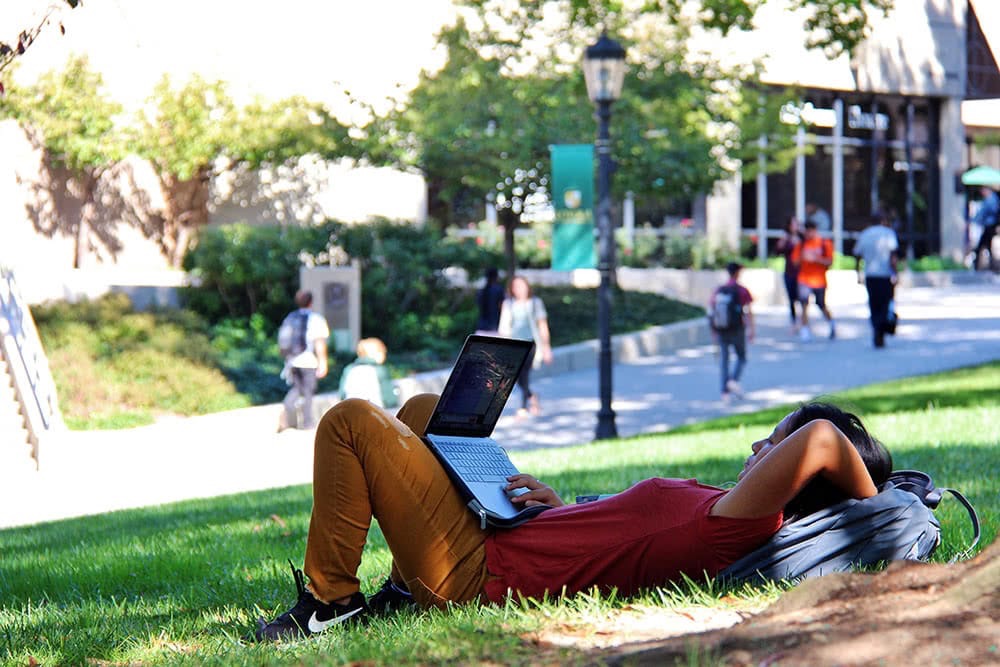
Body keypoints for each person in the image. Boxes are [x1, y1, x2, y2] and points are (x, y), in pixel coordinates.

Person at [251, 395, 892, 641]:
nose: (759, 450)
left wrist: (875, 507)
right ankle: (397, 590)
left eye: (773, 446)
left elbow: (823, 441)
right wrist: (562, 509)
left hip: (476, 571)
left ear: (806, 481)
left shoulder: (744, 523)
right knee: (425, 412)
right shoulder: (725, 503)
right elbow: (629, 532)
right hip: (510, 534)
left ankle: (329, 602)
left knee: (350, 423)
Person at [498, 275, 553, 416]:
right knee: (514, 376)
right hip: (514, 344)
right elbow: (504, 326)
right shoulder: (508, 304)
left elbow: (542, 326)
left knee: (524, 373)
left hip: (530, 343)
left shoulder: (535, 303)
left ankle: (523, 407)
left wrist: (546, 348)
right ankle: (531, 396)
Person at [278, 290, 330, 431]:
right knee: (308, 391)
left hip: (292, 361)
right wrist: (323, 362)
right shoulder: (316, 319)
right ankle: (308, 423)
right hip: (308, 361)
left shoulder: (290, 317)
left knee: (296, 388)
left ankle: (287, 412)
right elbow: (319, 343)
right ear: (311, 302)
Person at [708, 262, 754, 403]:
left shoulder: (719, 290)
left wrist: (713, 330)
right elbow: (748, 312)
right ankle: (733, 380)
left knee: (724, 361)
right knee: (741, 357)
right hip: (737, 328)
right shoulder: (741, 290)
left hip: (721, 329)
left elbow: (711, 310)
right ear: (738, 273)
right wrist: (751, 329)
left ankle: (725, 393)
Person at [853, 211, 899, 349]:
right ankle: (880, 329)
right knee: (885, 303)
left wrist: (858, 272)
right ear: (883, 220)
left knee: (873, 304)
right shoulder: (888, 233)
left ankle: (877, 328)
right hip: (884, 275)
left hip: (871, 275)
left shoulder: (865, 234)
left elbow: (857, 254)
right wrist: (895, 273)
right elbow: (893, 256)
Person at [791, 220, 836, 341]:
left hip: (819, 280)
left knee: (821, 305)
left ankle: (831, 322)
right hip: (804, 279)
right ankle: (805, 330)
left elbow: (830, 262)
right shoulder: (801, 245)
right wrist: (803, 257)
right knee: (804, 304)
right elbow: (794, 262)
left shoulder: (823, 243)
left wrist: (816, 259)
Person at [337, 337, 399, 410]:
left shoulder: (349, 369)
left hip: (351, 412)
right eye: (382, 352)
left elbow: (342, 394)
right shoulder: (379, 370)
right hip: (375, 413)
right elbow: (389, 397)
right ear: (375, 353)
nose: (384, 355)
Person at [775, 216, 803, 328]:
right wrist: (784, 240)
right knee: (791, 298)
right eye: (793, 224)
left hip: (801, 272)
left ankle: (803, 321)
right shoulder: (785, 238)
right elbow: (778, 251)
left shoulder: (802, 238)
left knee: (802, 298)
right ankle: (793, 321)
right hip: (789, 271)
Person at [972, 186, 999, 271]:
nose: (982, 193)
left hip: (990, 226)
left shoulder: (991, 200)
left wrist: (975, 220)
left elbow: (984, 212)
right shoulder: (992, 199)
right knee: (987, 246)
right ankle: (991, 266)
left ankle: (978, 265)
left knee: (982, 246)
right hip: (989, 226)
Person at [475, 267, 505, 335]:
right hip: (495, 328)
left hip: (481, 327)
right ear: (496, 277)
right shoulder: (499, 290)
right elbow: (502, 307)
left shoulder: (481, 291)